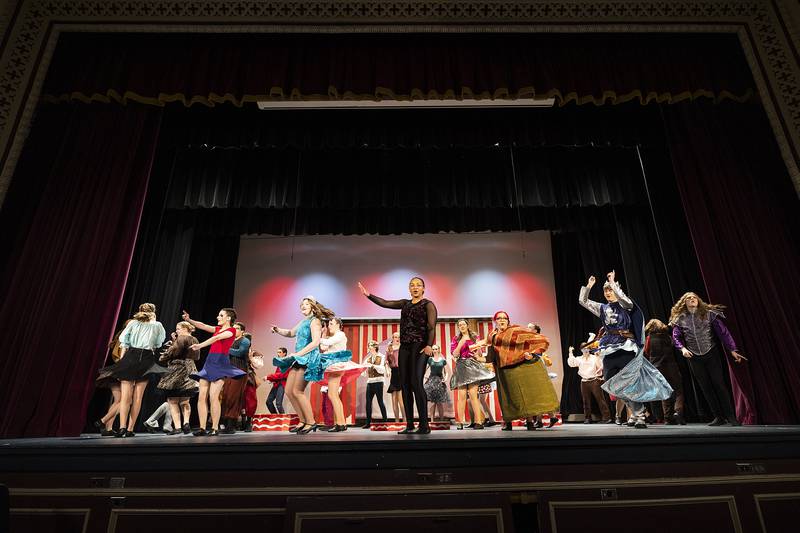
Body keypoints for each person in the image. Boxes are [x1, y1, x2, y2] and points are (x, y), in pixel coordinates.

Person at [358, 278, 437, 434]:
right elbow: (385, 303)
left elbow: (431, 326)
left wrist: (429, 345)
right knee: (405, 385)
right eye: (412, 285)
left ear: (423, 289)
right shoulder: (405, 304)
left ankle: (424, 425)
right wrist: (369, 295)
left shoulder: (428, 305)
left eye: (418, 285)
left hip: (420, 347)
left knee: (416, 383)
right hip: (405, 347)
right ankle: (409, 425)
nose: (415, 287)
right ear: (409, 289)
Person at [579, 271, 648, 428]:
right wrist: (589, 286)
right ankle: (635, 411)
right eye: (606, 290)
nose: (608, 292)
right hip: (609, 347)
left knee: (630, 382)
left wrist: (613, 282)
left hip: (625, 346)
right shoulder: (602, 308)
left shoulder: (626, 304)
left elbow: (623, 299)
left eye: (611, 289)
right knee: (614, 383)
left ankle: (639, 416)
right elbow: (583, 301)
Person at [472, 311, 559, 431]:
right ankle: (508, 423)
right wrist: (479, 358)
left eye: (504, 318)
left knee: (524, 396)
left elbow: (540, 340)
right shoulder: (492, 335)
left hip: (519, 368)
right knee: (506, 397)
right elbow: (491, 356)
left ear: (508, 320)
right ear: (495, 321)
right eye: (499, 318)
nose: (501, 320)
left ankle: (529, 423)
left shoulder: (516, 331)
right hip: (503, 370)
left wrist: (532, 354)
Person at [669, 292, 746, 426]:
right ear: (684, 302)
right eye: (688, 298)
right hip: (693, 357)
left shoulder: (709, 314)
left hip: (711, 354)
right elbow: (676, 337)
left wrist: (732, 349)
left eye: (694, 297)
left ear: (698, 300)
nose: (692, 299)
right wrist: (682, 349)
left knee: (719, 384)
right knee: (705, 387)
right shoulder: (679, 319)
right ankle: (718, 417)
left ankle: (731, 416)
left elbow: (723, 332)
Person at [271, 296, 335, 435]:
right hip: (299, 358)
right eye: (302, 304)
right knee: (289, 391)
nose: (303, 306)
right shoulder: (303, 322)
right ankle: (302, 420)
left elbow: (315, 342)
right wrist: (278, 329)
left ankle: (311, 422)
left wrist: (298, 354)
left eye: (306, 304)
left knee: (298, 391)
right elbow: (290, 333)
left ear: (312, 306)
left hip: (308, 359)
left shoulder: (315, 321)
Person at [102, 303, 167, 437]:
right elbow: (159, 342)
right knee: (138, 397)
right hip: (147, 358)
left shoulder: (133, 323)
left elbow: (123, 340)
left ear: (139, 311)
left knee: (125, 397)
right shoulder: (157, 325)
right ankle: (130, 429)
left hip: (131, 356)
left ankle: (122, 428)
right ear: (154, 312)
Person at [184, 308, 246, 436]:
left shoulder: (232, 330)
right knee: (201, 396)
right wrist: (189, 320)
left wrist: (200, 346)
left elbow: (217, 338)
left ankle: (214, 428)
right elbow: (203, 326)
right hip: (209, 363)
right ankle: (202, 428)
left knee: (213, 397)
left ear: (228, 318)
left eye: (221, 315)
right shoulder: (218, 328)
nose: (218, 317)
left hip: (220, 364)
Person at [318, 317, 367, 432]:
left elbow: (326, 343)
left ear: (338, 325)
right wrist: (323, 335)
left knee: (332, 395)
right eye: (329, 324)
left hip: (337, 366)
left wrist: (318, 337)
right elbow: (323, 347)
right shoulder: (333, 337)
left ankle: (341, 423)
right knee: (332, 394)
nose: (329, 326)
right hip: (332, 365)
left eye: (331, 323)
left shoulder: (340, 334)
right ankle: (341, 423)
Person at [155, 320, 199, 434]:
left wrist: (164, 356)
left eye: (178, 328)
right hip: (190, 369)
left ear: (185, 329)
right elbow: (196, 356)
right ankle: (186, 422)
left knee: (172, 400)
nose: (176, 330)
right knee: (185, 400)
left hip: (177, 369)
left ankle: (178, 427)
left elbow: (172, 352)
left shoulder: (181, 338)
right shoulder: (195, 339)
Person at [449, 319, 494, 430]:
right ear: (458, 327)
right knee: (462, 395)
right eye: (459, 325)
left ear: (467, 325)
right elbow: (455, 354)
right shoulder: (456, 339)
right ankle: (460, 422)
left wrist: (477, 351)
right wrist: (461, 343)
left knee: (474, 395)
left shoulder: (475, 337)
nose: (462, 326)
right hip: (461, 365)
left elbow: (479, 353)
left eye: (463, 324)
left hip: (473, 365)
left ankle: (478, 422)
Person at [643, 319, 686, 425]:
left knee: (664, 392)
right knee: (678, 390)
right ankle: (678, 412)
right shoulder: (668, 337)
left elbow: (646, 352)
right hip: (671, 366)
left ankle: (667, 418)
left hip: (657, 367)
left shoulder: (648, 338)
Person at [567, 333, 612, 424]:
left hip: (594, 380)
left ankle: (606, 417)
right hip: (584, 381)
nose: (586, 350)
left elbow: (600, 366)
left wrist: (598, 358)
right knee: (585, 401)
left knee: (600, 399)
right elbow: (572, 363)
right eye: (584, 348)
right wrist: (570, 353)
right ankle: (587, 418)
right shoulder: (579, 359)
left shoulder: (594, 357)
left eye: (587, 348)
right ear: (581, 350)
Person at [220, 322, 251, 434]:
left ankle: (231, 425)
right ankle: (226, 423)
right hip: (229, 370)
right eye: (233, 329)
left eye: (237, 329)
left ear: (242, 330)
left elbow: (240, 352)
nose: (234, 331)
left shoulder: (245, 340)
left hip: (239, 371)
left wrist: (226, 349)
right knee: (226, 397)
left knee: (233, 397)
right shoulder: (230, 341)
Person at [362, 340, 388, 428]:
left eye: (370, 346)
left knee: (380, 401)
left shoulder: (382, 357)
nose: (369, 347)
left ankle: (385, 421)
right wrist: (363, 370)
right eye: (368, 346)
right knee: (368, 402)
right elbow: (364, 371)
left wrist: (373, 366)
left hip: (378, 381)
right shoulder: (368, 359)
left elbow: (382, 369)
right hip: (370, 382)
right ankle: (368, 422)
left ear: (375, 347)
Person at [424, 345, 451, 423]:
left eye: (436, 349)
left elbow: (446, 372)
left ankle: (441, 420)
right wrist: (424, 376)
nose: (434, 350)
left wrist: (445, 379)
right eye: (433, 349)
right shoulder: (430, 359)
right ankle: (432, 421)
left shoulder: (442, 360)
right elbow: (425, 368)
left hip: (439, 381)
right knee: (432, 402)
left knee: (439, 403)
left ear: (439, 350)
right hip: (432, 381)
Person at [385, 331, 405, 423]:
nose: (397, 338)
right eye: (395, 337)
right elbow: (386, 362)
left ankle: (405, 419)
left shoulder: (402, 347)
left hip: (401, 372)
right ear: (392, 338)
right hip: (394, 373)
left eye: (399, 337)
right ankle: (396, 420)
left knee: (401, 399)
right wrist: (387, 370)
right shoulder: (389, 349)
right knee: (394, 400)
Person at [264, 348, 289, 414]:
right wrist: (272, 379)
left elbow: (281, 374)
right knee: (268, 402)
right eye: (277, 352)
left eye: (280, 352)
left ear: (284, 353)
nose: (278, 354)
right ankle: (275, 417)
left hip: (282, 385)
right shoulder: (280, 362)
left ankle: (283, 420)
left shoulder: (286, 362)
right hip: (277, 384)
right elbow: (277, 374)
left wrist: (268, 377)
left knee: (278, 404)